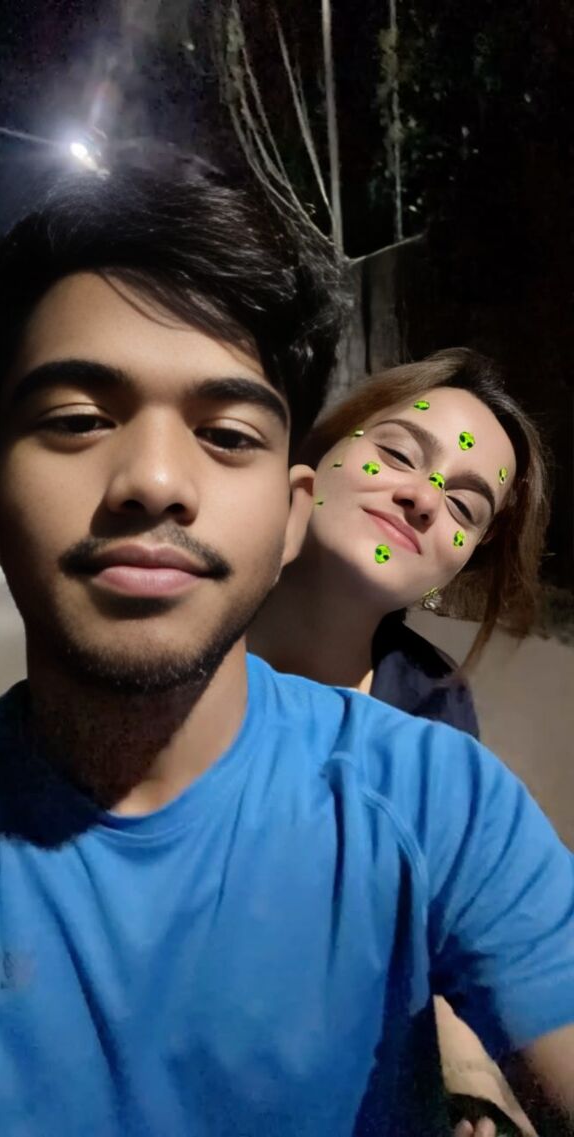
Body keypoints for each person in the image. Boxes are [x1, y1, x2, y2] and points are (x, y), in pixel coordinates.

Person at [0, 157, 573, 1137]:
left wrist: (465, 1068)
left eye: (228, 435)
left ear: (286, 504)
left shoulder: (436, 777)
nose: (155, 478)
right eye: (78, 420)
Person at [249, 349, 550, 1135]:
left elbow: (447, 933)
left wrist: (472, 1081)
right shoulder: (177, 631)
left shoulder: (433, 709)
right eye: (397, 453)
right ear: (318, 454)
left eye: (465, 507)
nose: (421, 498)